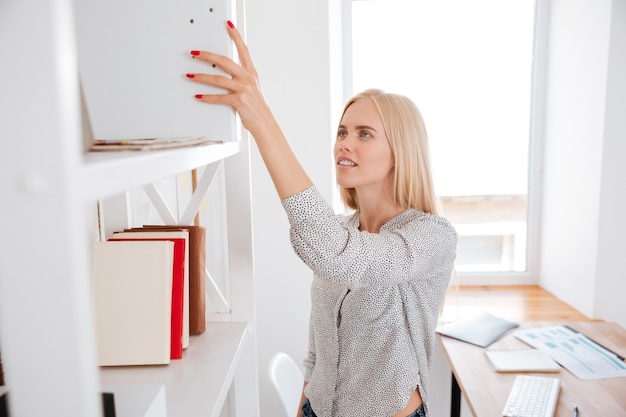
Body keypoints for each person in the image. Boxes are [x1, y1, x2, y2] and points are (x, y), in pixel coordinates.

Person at [187, 21, 457, 417]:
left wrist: (261, 120)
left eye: (365, 133)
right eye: (343, 131)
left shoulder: (432, 238)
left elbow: (343, 257)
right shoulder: (345, 230)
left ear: (401, 150)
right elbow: (319, 343)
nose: (344, 142)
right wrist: (304, 403)